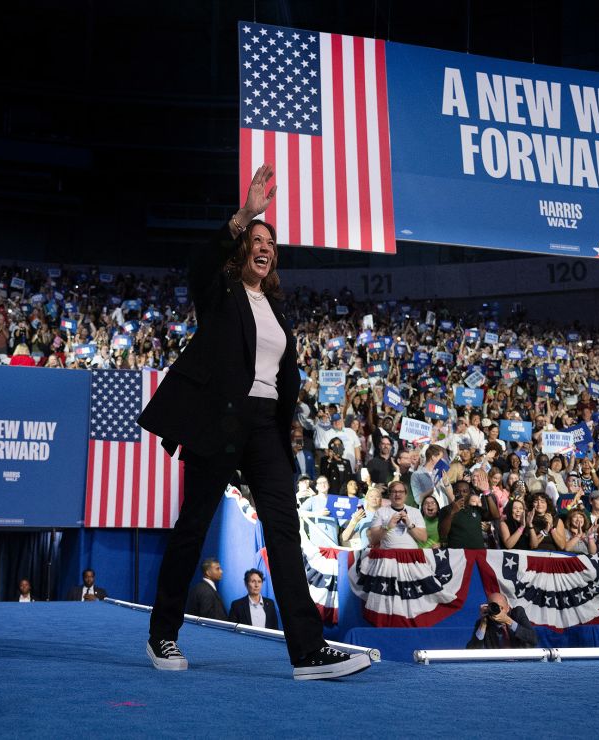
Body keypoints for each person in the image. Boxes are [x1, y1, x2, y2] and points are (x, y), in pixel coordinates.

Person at [137, 165, 368, 679]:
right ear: (243, 249)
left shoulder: (277, 310)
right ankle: (163, 637)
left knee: (285, 533)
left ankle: (307, 651)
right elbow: (200, 264)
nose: (264, 246)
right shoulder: (220, 294)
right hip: (220, 423)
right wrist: (244, 215)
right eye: (256, 240)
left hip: (265, 429)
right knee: (193, 527)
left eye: (271, 242)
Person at [466, 592, 538, 649]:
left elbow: (533, 639)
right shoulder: (484, 622)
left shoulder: (517, 613)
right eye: (495, 607)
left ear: (508, 608)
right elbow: (471, 650)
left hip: (522, 662)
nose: (498, 611)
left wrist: (509, 621)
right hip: (498, 665)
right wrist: (483, 624)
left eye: (501, 608)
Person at [369, 481, 429, 548]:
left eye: (401, 492)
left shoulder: (416, 511)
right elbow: (373, 540)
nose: (397, 494)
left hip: (411, 554)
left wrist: (409, 525)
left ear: (406, 495)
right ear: (389, 495)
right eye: (394, 492)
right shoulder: (380, 511)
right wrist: (387, 527)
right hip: (388, 555)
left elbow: (424, 539)